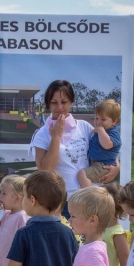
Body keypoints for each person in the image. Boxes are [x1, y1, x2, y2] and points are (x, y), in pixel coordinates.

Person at [31, 80, 119, 216]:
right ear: (48, 104)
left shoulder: (84, 126)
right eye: (54, 102)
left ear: (71, 102)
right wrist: (56, 137)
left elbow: (108, 148)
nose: (60, 107)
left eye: (64, 102)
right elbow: (45, 170)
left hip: (92, 198)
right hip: (64, 202)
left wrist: (116, 167)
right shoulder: (42, 134)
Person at [77, 99, 122, 188]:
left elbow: (107, 145)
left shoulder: (113, 133)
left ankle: (88, 193)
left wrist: (100, 130)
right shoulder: (101, 131)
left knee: (82, 174)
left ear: (114, 121)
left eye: (103, 119)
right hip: (95, 163)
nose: (98, 122)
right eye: (96, 118)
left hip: (103, 166)